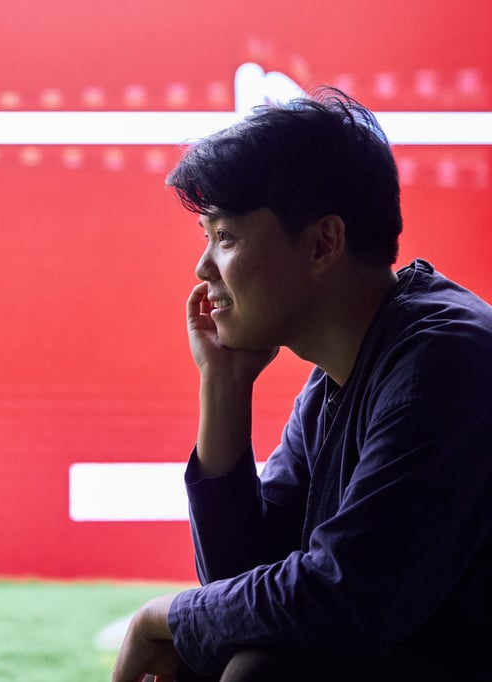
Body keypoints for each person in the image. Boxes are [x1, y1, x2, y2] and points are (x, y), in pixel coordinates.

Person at [112, 89, 492, 682]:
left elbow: (348, 596)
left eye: (227, 237)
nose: (203, 268)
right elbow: (243, 584)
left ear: (323, 243)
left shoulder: (441, 363)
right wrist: (226, 385)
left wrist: (160, 617)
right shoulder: (339, 377)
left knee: (260, 670)